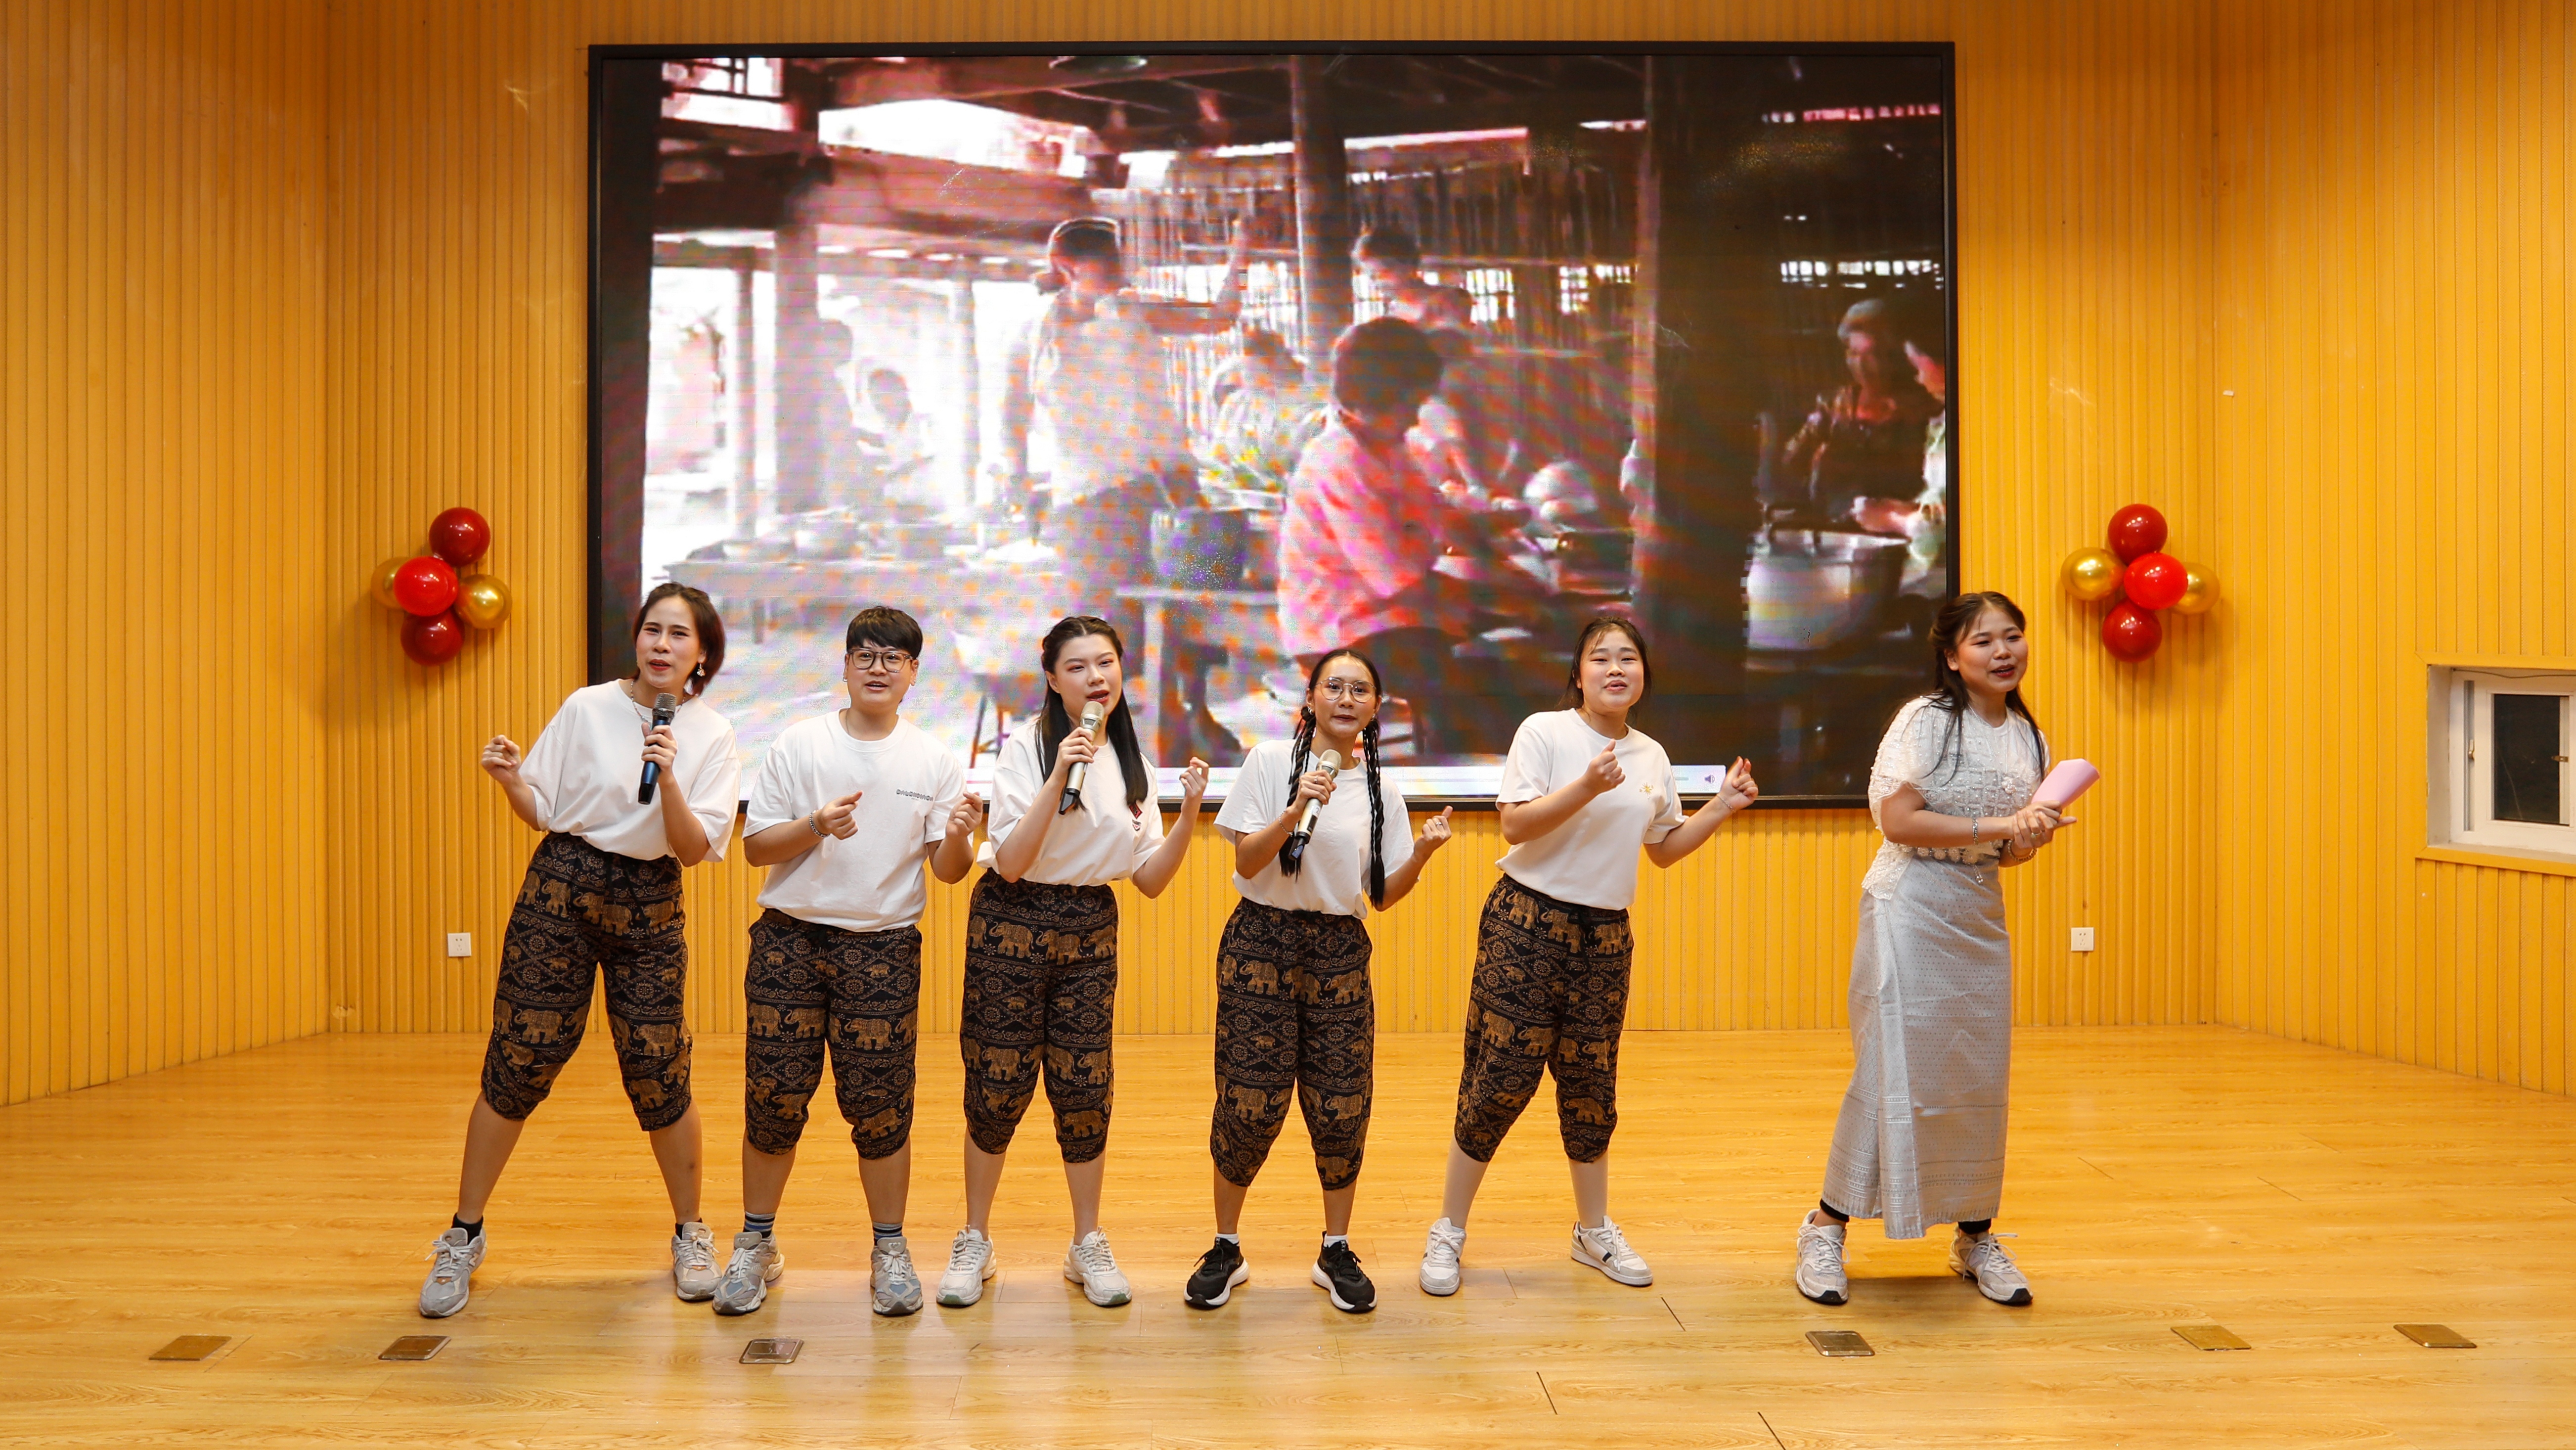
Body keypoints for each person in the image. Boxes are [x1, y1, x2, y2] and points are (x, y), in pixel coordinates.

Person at [418, 583, 742, 1319]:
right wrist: (511, 781)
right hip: (563, 884)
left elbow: (694, 848)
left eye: (679, 635)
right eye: (652, 630)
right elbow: (544, 811)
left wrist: (669, 777)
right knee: (519, 1057)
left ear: (702, 654)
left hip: (650, 898)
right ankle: (463, 1234)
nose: (661, 645)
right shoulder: (587, 707)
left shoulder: (712, 733)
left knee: (659, 1067)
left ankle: (691, 1232)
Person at [1418, 617, 1759, 1297]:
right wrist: (1585, 786)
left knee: (1591, 1088)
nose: (1614, 669)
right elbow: (1514, 823)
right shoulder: (1544, 732)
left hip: (1604, 937)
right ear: (1577, 675)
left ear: (1642, 676)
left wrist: (1720, 806)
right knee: (1497, 1080)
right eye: (1600, 658)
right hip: (1525, 922)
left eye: (1627, 658)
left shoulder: (1651, 755)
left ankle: (1592, 1230)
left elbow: (1662, 850)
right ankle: (1448, 1229)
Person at [1793, 591, 2071, 1311]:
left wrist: (2027, 838)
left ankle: (1974, 1236)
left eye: (2012, 637)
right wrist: (2003, 823)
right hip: (1907, 906)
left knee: (1976, 1074)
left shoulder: (2028, 736)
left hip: (1976, 912)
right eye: (1983, 641)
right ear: (1951, 656)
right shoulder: (1925, 720)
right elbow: (1898, 820)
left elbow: (2007, 854)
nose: (2003, 652)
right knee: (1891, 1066)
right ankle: (1824, 1228)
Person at [709, 607, 982, 1319]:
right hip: (790, 942)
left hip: (883, 948)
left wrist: (959, 835)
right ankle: (756, 1243)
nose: (877, 668)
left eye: (893, 658)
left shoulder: (933, 759)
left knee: (882, 1108)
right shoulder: (800, 743)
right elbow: (756, 848)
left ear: (913, 673)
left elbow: (948, 870)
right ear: (845, 666)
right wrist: (815, 826)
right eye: (865, 654)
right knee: (773, 1098)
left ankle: (889, 1249)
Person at [937, 616, 1211, 1311]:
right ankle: (974, 1238)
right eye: (1079, 666)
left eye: (1106, 663)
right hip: (1011, 920)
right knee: (996, 1083)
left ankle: (1086, 1240)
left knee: (1085, 1085)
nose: (1096, 678)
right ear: (1053, 679)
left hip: (1090, 928)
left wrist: (1188, 815)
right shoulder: (1025, 749)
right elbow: (1013, 860)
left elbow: (1148, 879)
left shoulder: (1133, 761)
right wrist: (1060, 770)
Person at [1185, 649, 1457, 1315]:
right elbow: (1249, 862)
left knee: (1341, 1103)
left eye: (1359, 689)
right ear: (1308, 698)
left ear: (1375, 708)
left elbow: (1382, 895)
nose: (1345, 698)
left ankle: (1335, 1249)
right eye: (1332, 686)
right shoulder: (1269, 762)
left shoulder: (1381, 792)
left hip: (1338, 953)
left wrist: (1423, 852)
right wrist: (1292, 810)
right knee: (1248, 1100)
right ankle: (1225, 1246)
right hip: (1260, 941)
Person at [1002, 216, 1251, 642]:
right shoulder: (1031, 335)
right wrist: (1016, 478)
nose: (1120, 274)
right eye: (1108, 265)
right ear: (1066, 267)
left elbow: (1220, 317)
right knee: (1103, 622)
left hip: (1165, 485)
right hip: (1089, 498)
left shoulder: (1135, 310)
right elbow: (1013, 416)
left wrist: (1241, 253)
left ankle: (1186, 687)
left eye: (1120, 263)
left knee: (1189, 611)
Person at [1278, 318, 1488, 759]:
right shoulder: (1339, 461)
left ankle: (1451, 759)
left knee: (1490, 653)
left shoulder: (1388, 448)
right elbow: (1395, 579)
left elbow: (1434, 513)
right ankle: (1449, 776)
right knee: (1474, 683)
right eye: (1412, 404)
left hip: (1386, 616)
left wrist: (1485, 533)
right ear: (1381, 396)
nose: (1415, 418)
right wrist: (1493, 596)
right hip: (1339, 630)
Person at [1778, 295, 1940, 520]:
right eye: (1854, 354)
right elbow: (1792, 462)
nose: (1861, 365)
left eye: (1872, 354)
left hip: (1903, 524)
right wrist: (1818, 463)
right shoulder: (1833, 405)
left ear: (1896, 356)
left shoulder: (1923, 409)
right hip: (1837, 527)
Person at [1848, 297, 1952, 608]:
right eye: (1853, 354)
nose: (1919, 378)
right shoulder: (1835, 409)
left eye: (1919, 367)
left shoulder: (1934, 418)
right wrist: (1907, 508)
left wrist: (1894, 519)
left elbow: (1955, 518)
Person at [1353, 226, 1476, 331]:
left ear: (1408, 266)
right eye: (1371, 277)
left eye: (1382, 274)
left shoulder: (1450, 298)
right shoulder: (1392, 312)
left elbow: (1454, 343)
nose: (1376, 284)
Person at [854, 368, 939, 514]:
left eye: (884, 395)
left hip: (930, 510)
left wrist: (889, 475)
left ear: (902, 390)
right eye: (875, 397)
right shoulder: (892, 424)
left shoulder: (925, 420)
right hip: (902, 508)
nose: (879, 403)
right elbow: (895, 448)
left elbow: (928, 457)